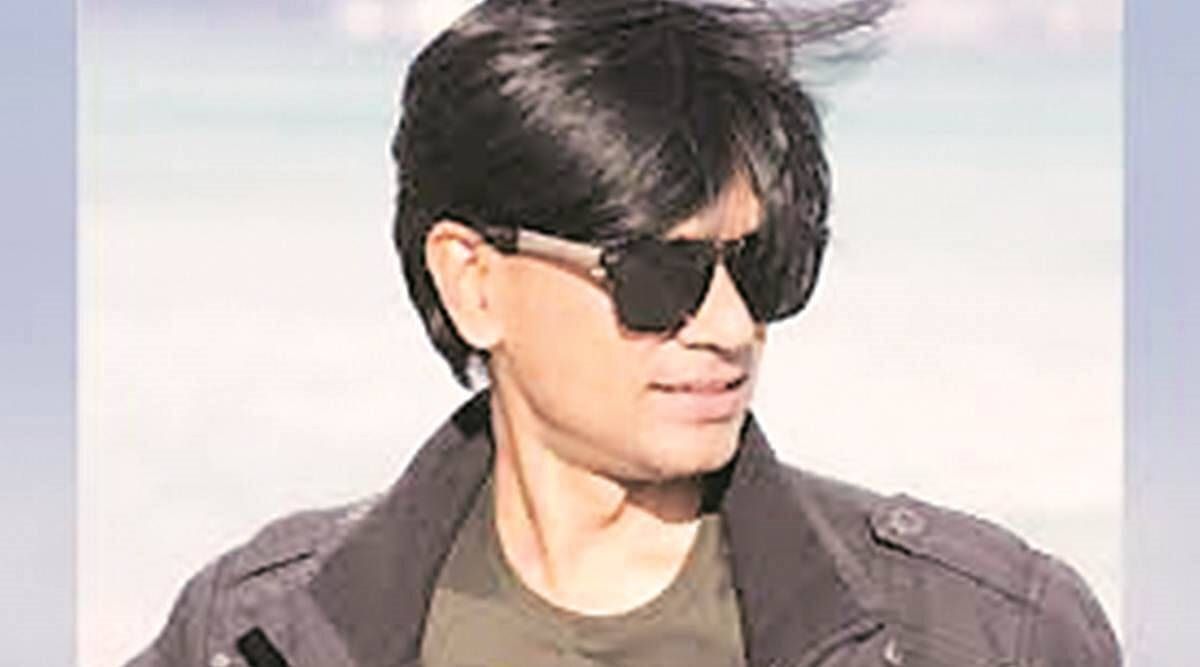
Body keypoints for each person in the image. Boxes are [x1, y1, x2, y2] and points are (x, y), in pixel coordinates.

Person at [128, 1, 1121, 665]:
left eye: (763, 265)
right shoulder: (253, 632)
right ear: (474, 282)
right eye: (658, 274)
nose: (730, 326)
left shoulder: (987, 635)